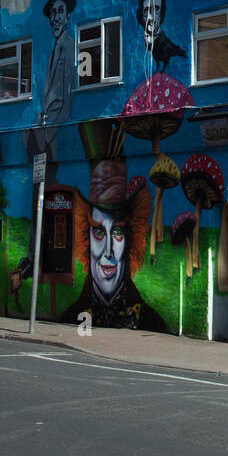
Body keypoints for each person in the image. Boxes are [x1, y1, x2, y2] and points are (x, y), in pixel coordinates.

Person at [62, 122, 164, 331]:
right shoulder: (70, 316)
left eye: (117, 231)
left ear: (130, 240)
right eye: (99, 232)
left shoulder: (150, 321)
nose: (108, 251)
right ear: (85, 238)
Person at [19, 0, 78, 281]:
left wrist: (51, 125)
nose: (56, 17)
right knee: (38, 191)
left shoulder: (68, 45)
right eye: (52, 13)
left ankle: (35, 256)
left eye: (60, 12)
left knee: (43, 191)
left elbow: (67, 94)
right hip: (47, 128)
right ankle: (33, 255)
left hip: (56, 132)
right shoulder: (56, 47)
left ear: (68, 15)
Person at [135, 0, 185, 71]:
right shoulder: (146, 40)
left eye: (156, 9)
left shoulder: (161, 39)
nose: (151, 16)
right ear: (141, 14)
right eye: (146, 10)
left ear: (162, 14)